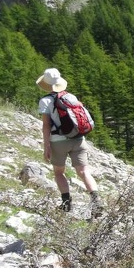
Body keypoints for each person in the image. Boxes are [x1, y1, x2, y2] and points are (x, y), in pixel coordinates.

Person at [37, 68, 102, 216]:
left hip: (58, 141)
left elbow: (46, 125)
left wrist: (46, 146)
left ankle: (66, 204)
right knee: (84, 172)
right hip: (78, 139)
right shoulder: (70, 96)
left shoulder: (45, 101)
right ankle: (97, 202)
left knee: (59, 172)